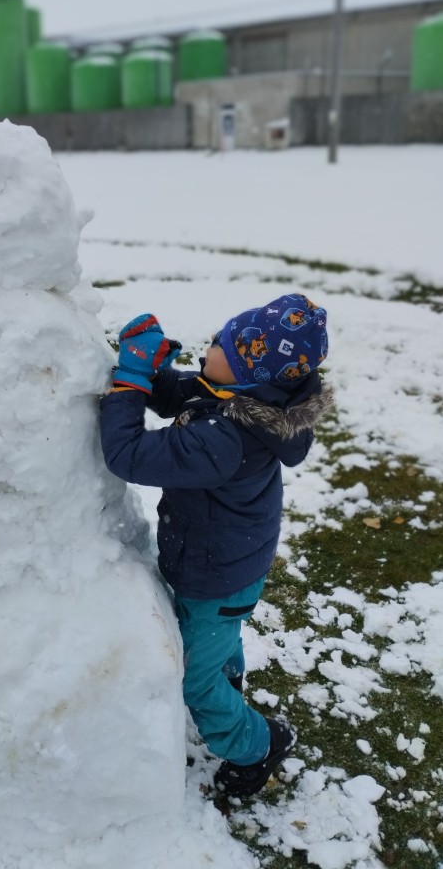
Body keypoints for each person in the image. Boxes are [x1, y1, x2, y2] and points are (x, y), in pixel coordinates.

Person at [99, 294, 333, 799]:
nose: (209, 344)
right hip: (228, 563)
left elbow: (127, 454)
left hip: (215, 575)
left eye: (222, 344)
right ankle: (227, 684)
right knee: (218, 639)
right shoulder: (246, 398)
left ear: (250, 370)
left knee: (194, 680)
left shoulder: (225, 438)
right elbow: (183, 395)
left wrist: (129, 384)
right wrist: (155, 373)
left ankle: (256, 746)